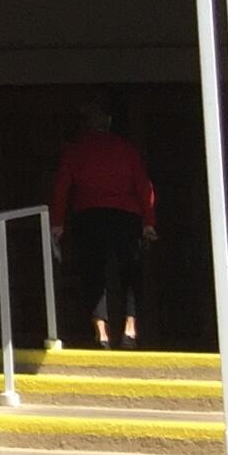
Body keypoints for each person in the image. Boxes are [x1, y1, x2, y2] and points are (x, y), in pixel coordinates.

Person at [50, 97, 158, 350]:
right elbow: (143, 185)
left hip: (90, 216)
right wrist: (149, 221)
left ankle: (101, 333)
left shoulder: (76, 149)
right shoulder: (126, 148)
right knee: (130, 272)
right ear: (108, 122)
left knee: (93, 274)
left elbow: (62, 187)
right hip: (125, 216)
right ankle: (130, 329)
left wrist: (57, 223)